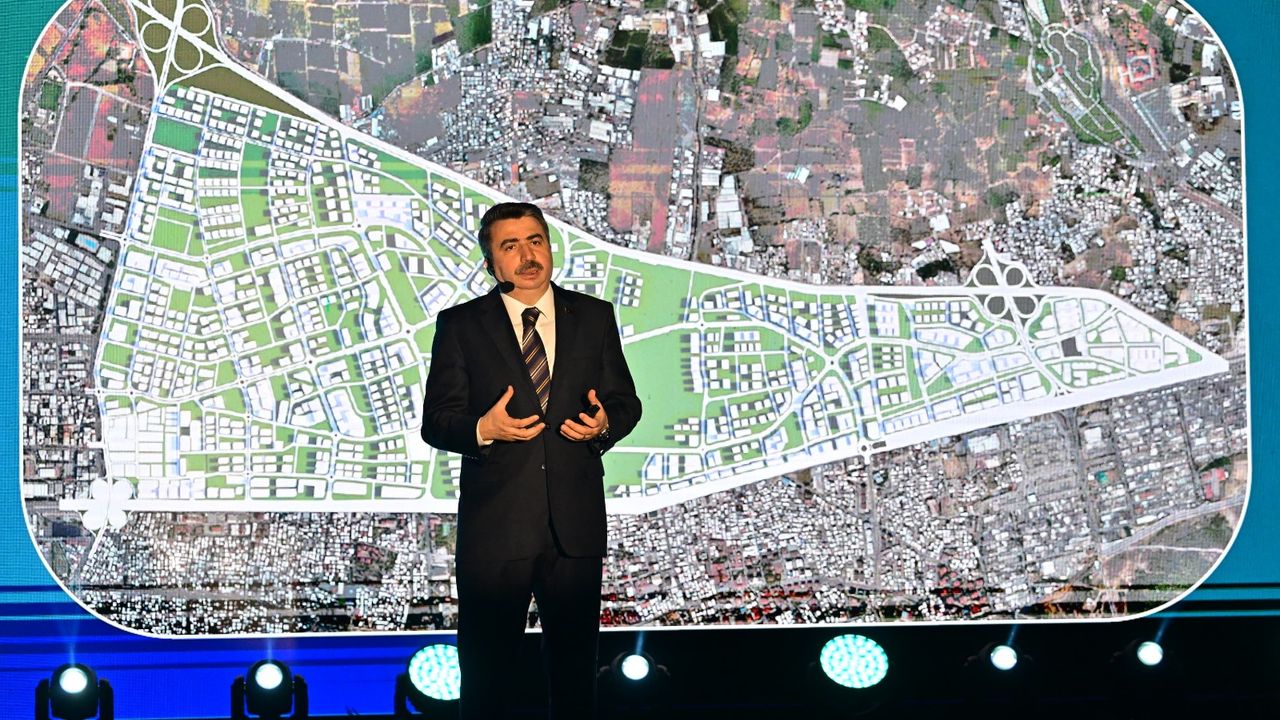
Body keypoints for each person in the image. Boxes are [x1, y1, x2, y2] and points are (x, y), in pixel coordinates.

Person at [419, 201, 642, 719]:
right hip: (496, 531)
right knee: (488, 680)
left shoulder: (593, 316)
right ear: (490, 263)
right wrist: (483, 428)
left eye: (535, 241)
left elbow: (625, 402)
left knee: (574, 679)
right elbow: (437, 421)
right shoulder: (460, 325)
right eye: (511, 246)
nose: (527, 256)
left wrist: (604, 424)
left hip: (575, 528)